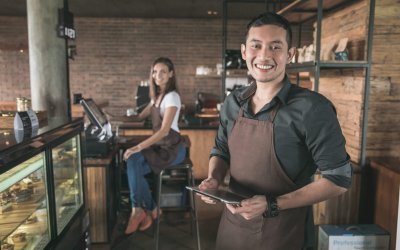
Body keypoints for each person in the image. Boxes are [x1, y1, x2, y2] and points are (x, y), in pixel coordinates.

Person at [198, 12, 352, 250]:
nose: (264, 55)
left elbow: (339, 179)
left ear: (290, 54)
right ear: (244, 52)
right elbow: (221, 149)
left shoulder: (313, 109)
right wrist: (214, 179)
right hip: (232, 230)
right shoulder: (233, 103)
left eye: (275, 47)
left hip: (284, 234)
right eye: (256, 46)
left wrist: (272, 204)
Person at [122, 57, 186, 234]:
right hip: (161, 146)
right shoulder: (156, 97)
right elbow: (138, 118)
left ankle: (143, 210)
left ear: (171, 74)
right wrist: (111, 117)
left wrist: (138, 146)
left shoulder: (172, 97)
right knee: (133, 163)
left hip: (173, 149)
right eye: (155, 72)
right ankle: (143, 209)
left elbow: (165, 130)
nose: (158, 75)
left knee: (133, 160)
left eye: (163, 71)